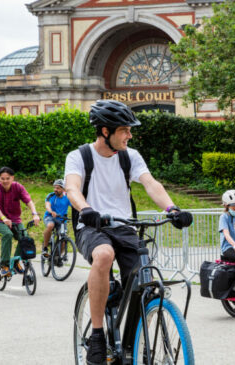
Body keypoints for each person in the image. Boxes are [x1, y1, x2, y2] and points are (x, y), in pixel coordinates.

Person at [64, 99, 190, 365]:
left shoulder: (129, 156)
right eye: (125, 130)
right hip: (92, 226)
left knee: (143, 281)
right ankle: (98, 335)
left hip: (124, 226)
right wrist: (85, 208)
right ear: (105, 131)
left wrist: (172, 209)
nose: (130, 135)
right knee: (104, 255)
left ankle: (134, 340)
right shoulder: (80, 156)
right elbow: (72, 188)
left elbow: (150, 183)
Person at [0, 166, 40, 277]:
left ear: (12, 178)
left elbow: (29, 201)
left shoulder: (18, 187)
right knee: (8, 234)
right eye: (2, 178)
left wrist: (35, 214)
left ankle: (16, 262)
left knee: (24, 238)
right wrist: (4, 218)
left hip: (15, 219)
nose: (5, 181)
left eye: (7, 178)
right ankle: (4, 265)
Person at [42, 179, 72, 258]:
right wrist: (51, 211)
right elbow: (47, 205)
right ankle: (45, 248)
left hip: (61, 220)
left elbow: (75, 206)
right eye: (55, 187)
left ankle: (57, 257)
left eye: (58, 188)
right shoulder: (51, 196)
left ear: (63, 189)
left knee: (63, 239)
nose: (55, 189)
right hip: (50, 217)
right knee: (50, 226)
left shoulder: (67, 197)